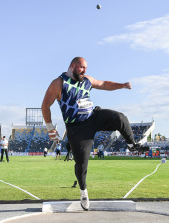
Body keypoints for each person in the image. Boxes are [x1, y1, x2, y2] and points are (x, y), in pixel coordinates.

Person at [41, 57, 145, 211]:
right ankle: (83, 191)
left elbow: (104, 84)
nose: (84, 71)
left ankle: (132, 145)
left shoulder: (87, 80)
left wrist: (121, 85)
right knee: (82, 164)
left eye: (86, 68)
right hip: (77, 128)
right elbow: (45, 106)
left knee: (120, 118)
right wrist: (50, 128)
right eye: (82, 67)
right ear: (72, 66)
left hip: (93, 117)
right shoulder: (59, 83)